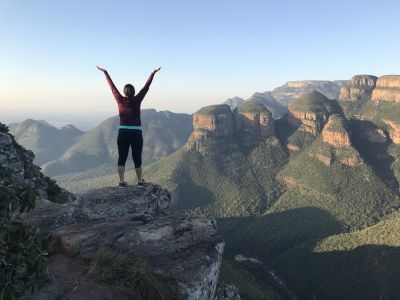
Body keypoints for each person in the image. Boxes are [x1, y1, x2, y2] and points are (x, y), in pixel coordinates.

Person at [97, 65, 161, 188]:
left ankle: (121, 182)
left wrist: (106, 73)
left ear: (124, 92)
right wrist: (153, 73)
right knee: (137, 158)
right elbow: (146, 87)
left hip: (123, 133)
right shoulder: (137, 100)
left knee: (122, 158)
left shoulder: (119, 100)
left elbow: (112, 88)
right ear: (134, 92)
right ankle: (140, 181)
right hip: (136, 134)